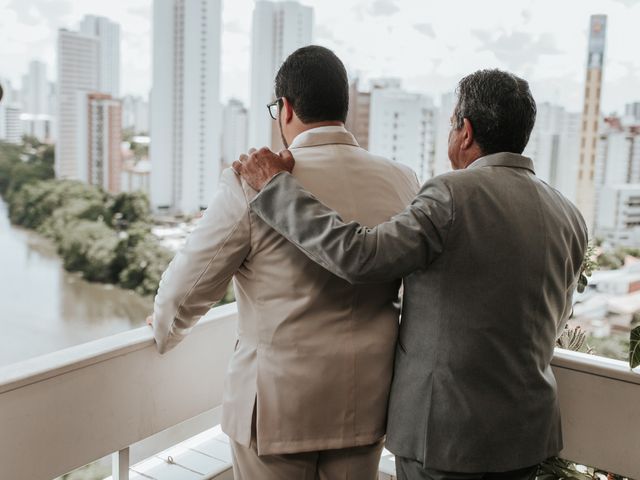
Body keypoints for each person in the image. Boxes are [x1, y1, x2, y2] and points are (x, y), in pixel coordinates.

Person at [233, 69, 589, 480]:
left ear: (466, 131)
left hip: (444, 438)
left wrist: (277, 187)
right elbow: (555, 316)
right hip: (526, 437)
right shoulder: (568, 214)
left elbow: (361, 257)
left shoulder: (452, 194)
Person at [149, 45, 420, 479]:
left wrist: (163, 330)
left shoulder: (252, 182)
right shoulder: (402, 180)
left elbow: (186, 288)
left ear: (286, 108)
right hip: (365, 404)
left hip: (274, 411)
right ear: (343, 108)